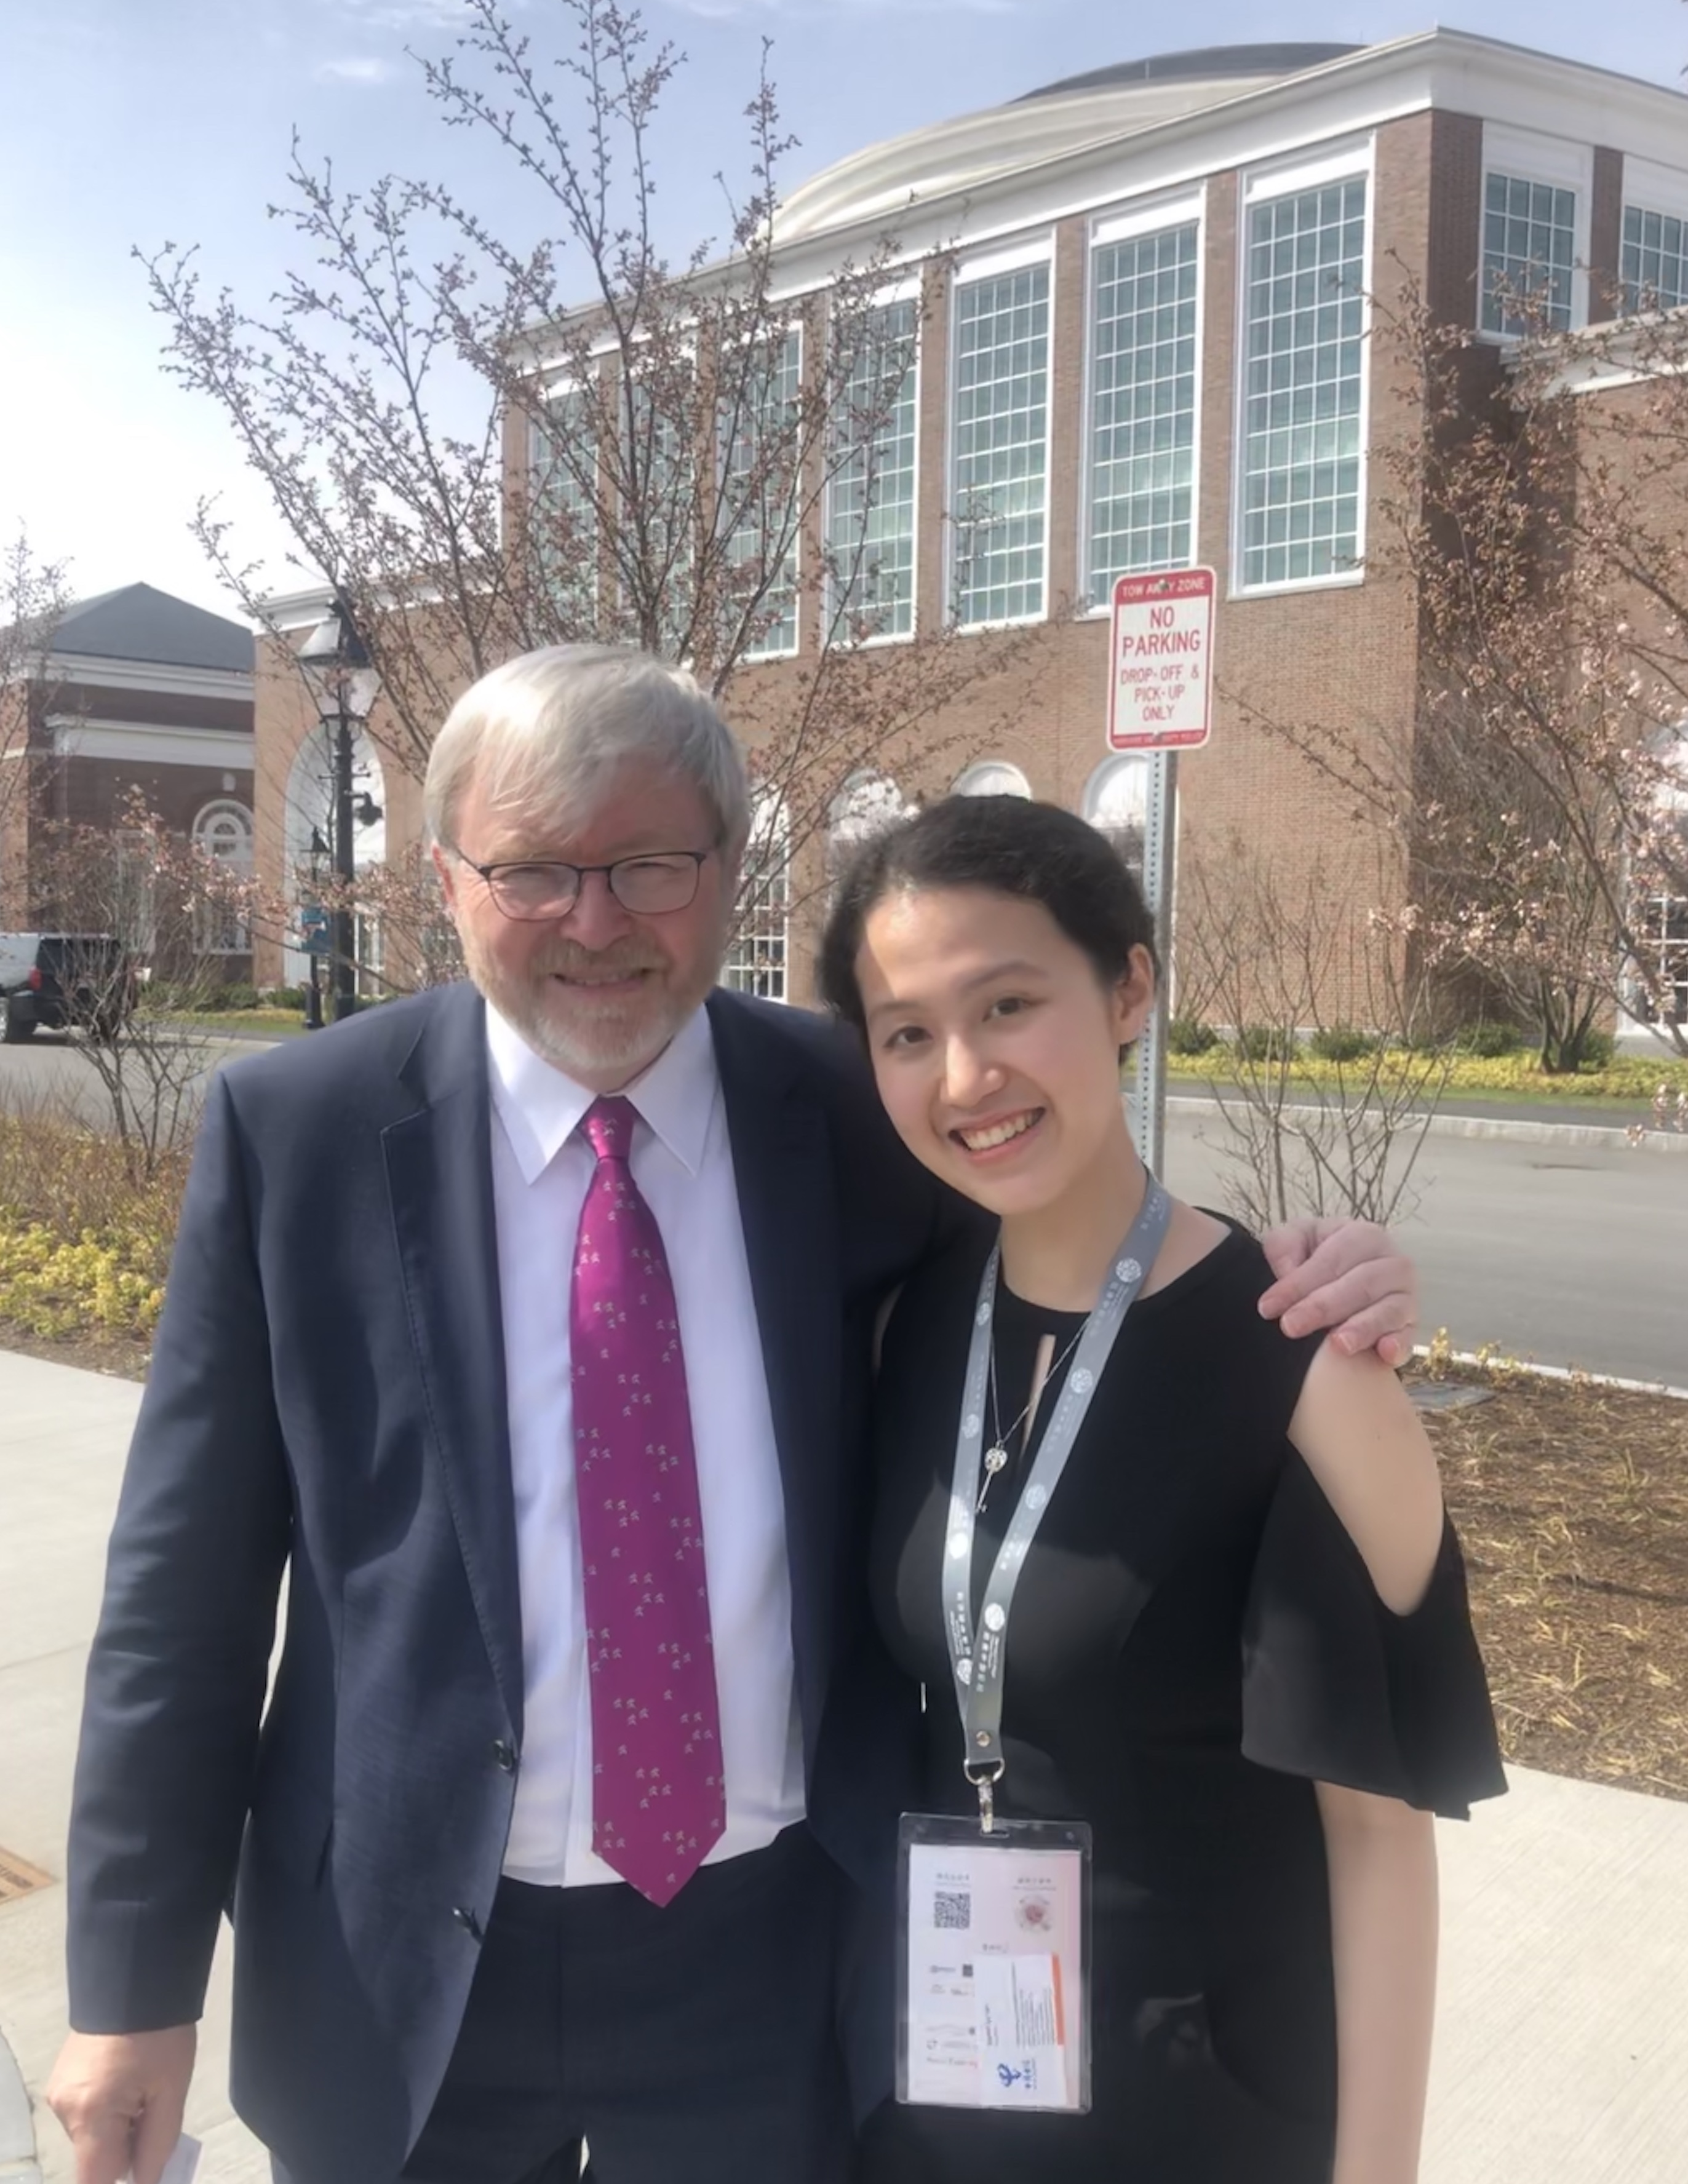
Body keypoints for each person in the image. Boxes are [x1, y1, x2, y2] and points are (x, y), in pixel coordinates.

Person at [49, 648, 1422, 2184]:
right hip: (403, 1973)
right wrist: (130, 1995)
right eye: (532, 871)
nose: (595, 921)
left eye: (649, 864)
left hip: (767, 1966)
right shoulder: (298, 1134)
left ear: (727, 868)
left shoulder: (856, 1108)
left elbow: (1064, 1217)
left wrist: (1296, 1270)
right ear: (444, 880)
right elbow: (181, 1601)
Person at [818, 794, 1506, 2184]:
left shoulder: (1305, 1370)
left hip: (1207, 2112)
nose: (965, 1076)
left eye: (1009, 1004)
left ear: (1129, 988)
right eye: (907, 1033)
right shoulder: (907, 1330)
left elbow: (1378, 1840)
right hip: (948, 2090)